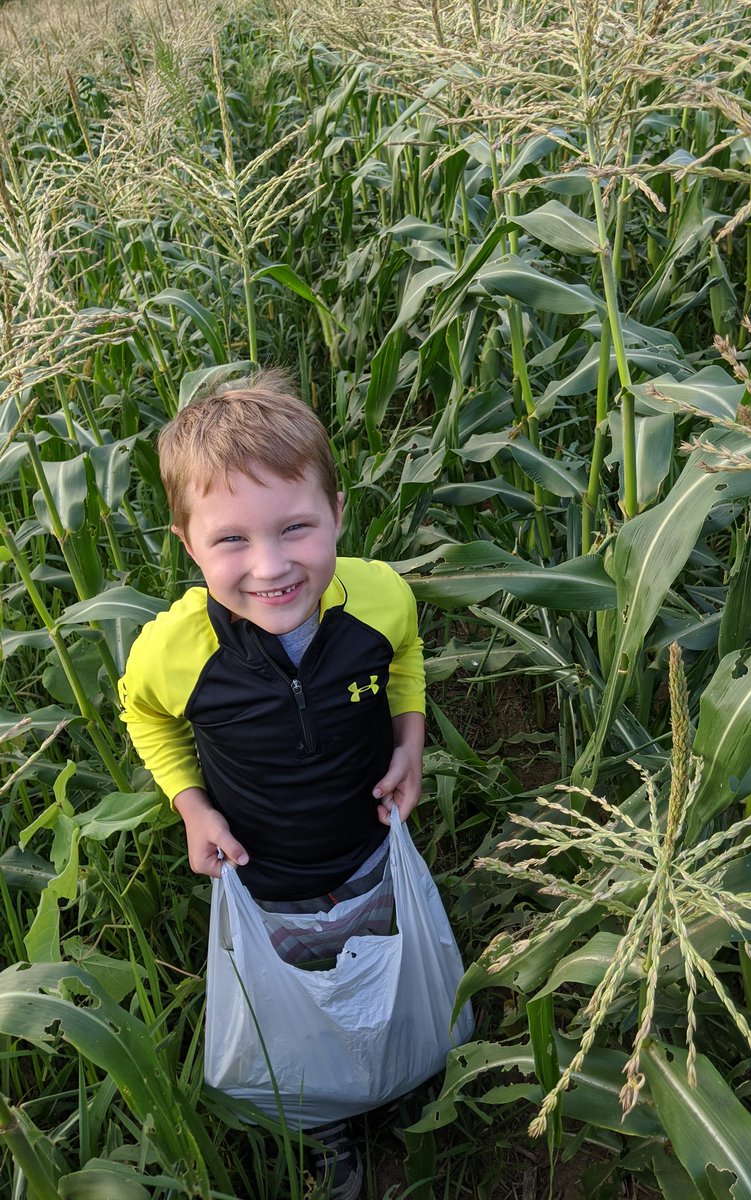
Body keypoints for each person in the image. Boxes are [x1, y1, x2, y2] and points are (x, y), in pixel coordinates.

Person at [118, 369, 426, 1200]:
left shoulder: (381, 600)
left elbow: (405, 663)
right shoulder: (173, 652)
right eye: (231, 542)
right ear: (188, 545)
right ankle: (324, 1127)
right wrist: (191, 805)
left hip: (368, 856)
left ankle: (396, 1080)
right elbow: (143, 714)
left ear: (337, 515)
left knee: (376, 975)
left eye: (298, 528)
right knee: (298, 1008)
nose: (272, 567)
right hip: (268, 881)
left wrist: (411, 742)